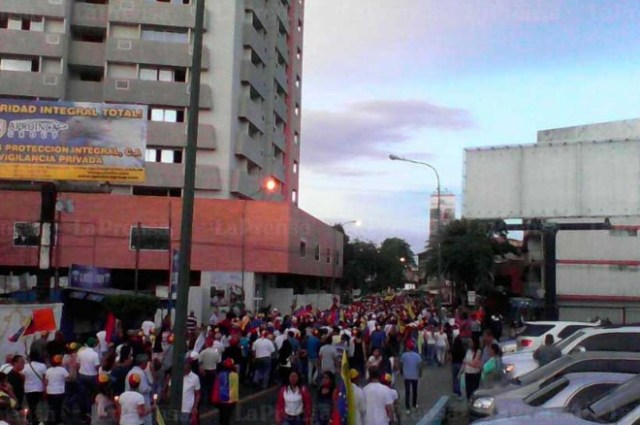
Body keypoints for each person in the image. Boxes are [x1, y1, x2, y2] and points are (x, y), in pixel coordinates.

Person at [77, 338, 100, 418]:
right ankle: (90, 411)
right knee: (92, 395)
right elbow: (97, 366)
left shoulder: (81, 352)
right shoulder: (95, 354)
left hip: (82, 375)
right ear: (94, 345)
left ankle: (83, 412)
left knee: (83, 394)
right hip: (92, 376)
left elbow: (78, 363)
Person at [211, 358, 239, 425]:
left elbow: (216, 388)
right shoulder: (235, 375)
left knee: (222, 416)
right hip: (232, 399)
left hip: (222, 400)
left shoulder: (220, 375)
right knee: (227, 417)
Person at [44, 355, 69, 425]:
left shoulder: (48, 370)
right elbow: (68, 378)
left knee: (51, 407)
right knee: (58, 407)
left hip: (50, 391)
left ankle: (51, 420)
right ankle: (58, 421)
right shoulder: (62, 370)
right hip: (60, 391)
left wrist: (45, 391)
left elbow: (45, 382)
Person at [23, 352, 47, 425]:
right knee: (37, 405)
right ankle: (36, 419)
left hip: (28, 388)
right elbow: (44, 378)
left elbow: (23, 377)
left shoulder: (25, 366)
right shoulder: (43, 366)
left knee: (31, 405)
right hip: (39, 388)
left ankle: (31, 419)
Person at [399, 341, 422, 414]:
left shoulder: (404, 355)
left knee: (407, 391)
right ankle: (414, 405)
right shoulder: (417, 356)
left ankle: (407, 407)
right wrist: (420, 373)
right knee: (415, 391)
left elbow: (401, 364)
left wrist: (401, 371)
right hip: (415, 375)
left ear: (407, 348)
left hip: (407, 376)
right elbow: (420, 366)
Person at [179, 360, 201, 425]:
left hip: (187, 408)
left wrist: (195, 407)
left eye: (185, 371)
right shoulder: (177, 376)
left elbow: (198, 393)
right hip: (176, 407)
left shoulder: (195, 378)